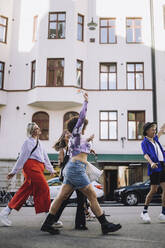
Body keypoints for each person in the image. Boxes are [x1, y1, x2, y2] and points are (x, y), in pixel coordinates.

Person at [41, 93, 122, 235]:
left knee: (61, 197)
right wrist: (86, 102)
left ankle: (47, 223)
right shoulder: (76, 134)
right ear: (77, 126)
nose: (83, 124)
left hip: (72, 168)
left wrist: (89, 145)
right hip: (76, 169)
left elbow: (80, 149)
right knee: (92, 195)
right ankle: (105, 224)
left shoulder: (77, 139)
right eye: (81, 123)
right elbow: (82, 117)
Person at [0, 122, 58, 233]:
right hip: (31, 167)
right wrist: (14, 171)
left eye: (38, 127)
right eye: (36, 128)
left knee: (24, 191)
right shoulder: (27, 142)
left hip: (38, 168)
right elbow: (22, 158)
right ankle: (49, 218)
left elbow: (45, 157)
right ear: (32, 131)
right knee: (45, 188)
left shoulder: (39, 143)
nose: (39, 128)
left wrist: (50, 169)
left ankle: (5, 212)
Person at [52, 130, 88, 230]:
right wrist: (61, 159)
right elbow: (61, 164)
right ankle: (52, 220)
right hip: (70, 176)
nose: (69, 135)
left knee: (82, 199)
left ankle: (80, 224)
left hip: (78, 174)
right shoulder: (63, 149)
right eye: (66, 134)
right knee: (64, 199)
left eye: (69, 133)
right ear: (64, 137)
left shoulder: (76, 146)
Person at [141, 122, 165, 223]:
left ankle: (163, 213)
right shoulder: (144, 142)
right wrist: (151, 163)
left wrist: (162, 127)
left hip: (163, 165)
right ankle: (144, 211)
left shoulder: (155, 139)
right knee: (153, 190)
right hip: (154, 166)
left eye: (154, 129)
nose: (154, 131)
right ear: (147, 131)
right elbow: (146, 155)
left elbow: (160, 131)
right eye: (152, 129)